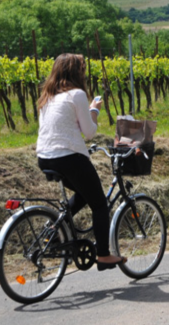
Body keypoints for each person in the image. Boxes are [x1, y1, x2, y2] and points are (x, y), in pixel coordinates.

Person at [36, 54, 126, 270]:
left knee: (85, 194)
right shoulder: (77, 94)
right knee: (99, 204)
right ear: (77, 73)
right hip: (68, 157)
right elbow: (89, 132)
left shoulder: (47, 96)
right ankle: (103, 255)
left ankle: (54, 232)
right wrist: (94, 110)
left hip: (45, 157)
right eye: (82, 70)